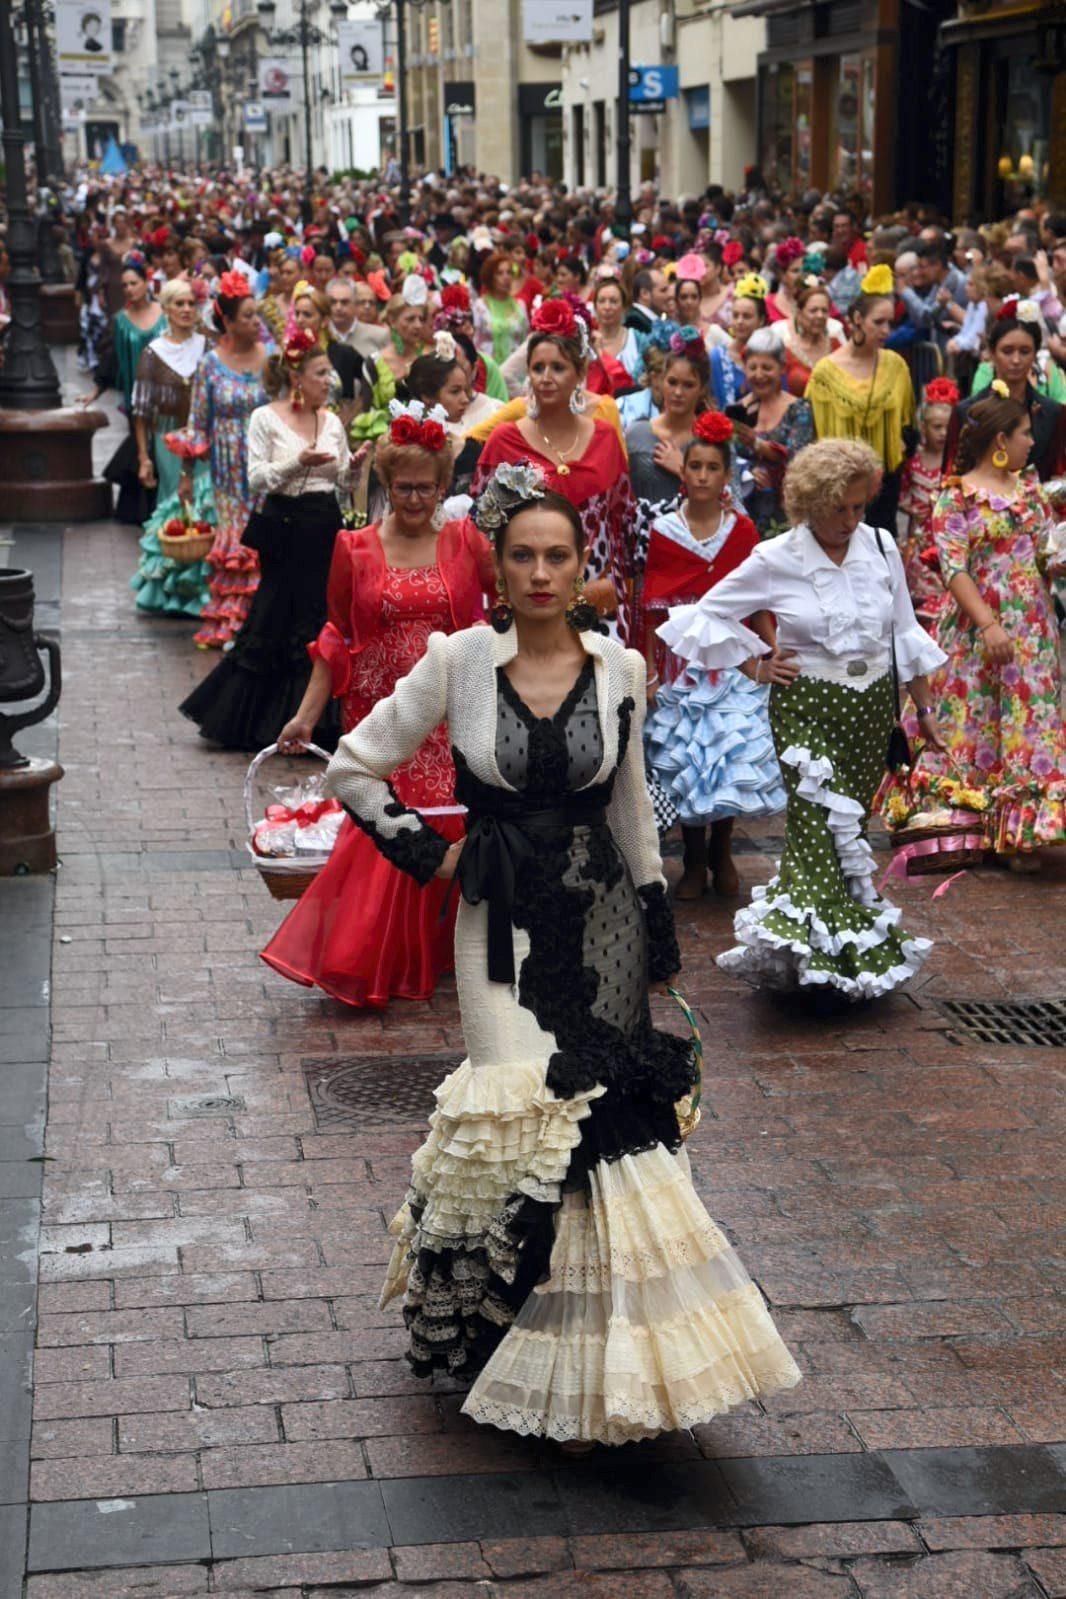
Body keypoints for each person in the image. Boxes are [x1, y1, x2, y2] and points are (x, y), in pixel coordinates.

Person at [323, 461, 801, 1445]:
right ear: (494, 568)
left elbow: (630, 805)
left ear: (585, 567)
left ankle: (605, 1347)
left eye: (559, 556)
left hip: (604, 920)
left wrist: (659, 917)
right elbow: (354, 764)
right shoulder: (456, 660)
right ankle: (499, 1317)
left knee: (599, 1129)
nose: (541, 573)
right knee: (509, 1102)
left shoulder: (622, 668)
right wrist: (432, 850)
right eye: (523, 557)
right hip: (496, 918)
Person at [660, 439, 947, 1000]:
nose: (851, 519)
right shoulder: (778, 556)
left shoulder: (883, 546)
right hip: (807, 708)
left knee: (849, 833)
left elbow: (904, 633)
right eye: (838, 508)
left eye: (860, 506)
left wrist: (925, 711)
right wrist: (755, 664)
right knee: (818, 825)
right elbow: (706, 613)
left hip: (869, 710)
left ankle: (826, 955)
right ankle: (820, 966)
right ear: (810, 503)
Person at [261, 404, 495, 1007]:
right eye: (402, 488)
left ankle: (443, 953)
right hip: (380, 712)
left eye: (426, 487)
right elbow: (336, 634)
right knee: (385, 832)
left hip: (449, 712)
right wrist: (307, 715)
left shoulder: (468, 542)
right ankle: (371, 956)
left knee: (449, 821)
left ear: (445, 486)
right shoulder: (354, 547)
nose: (414, 499)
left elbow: (502, 619)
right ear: (385, 487)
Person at [179, 337, 357, 751]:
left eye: (329, 373)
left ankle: (318, 720)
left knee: (321, 617)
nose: (328, 381)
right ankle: (259, 720)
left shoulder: (331, 421)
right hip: (285, 525)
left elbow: (342, 483)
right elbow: (256, 479)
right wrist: (299, 461)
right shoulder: (265, 418)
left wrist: (355, 467)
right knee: (276, 614)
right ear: (296, 378)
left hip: (324, 527)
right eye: (319, 374)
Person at [919, 392, 1066, 868]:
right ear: (1001, 439)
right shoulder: (955, 495)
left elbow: (1043, 551)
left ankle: (1022, 831)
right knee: (976, 723)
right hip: (976, 629)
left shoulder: (1031, 489)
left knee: (1030, 726)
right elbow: (954, 568)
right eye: (1025, 434)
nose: (1031, 442)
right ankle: (973, 824)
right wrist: (987, 624)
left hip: (1032, 629)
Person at [643, 415, 784, 899]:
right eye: (695, 466)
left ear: (727, 476)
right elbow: (652, 607)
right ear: (682, 472)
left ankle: (723, 850)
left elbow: (759, 598)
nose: (702, 475)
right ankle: (694, 858)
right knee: (686, 758)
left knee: (724, 754)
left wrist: (771, 651)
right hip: (682, 663)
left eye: (712, 468)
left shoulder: (742, 530)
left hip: (732, 660)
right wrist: (648, 667)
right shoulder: (663, 529)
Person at [473, 299, 636, 640]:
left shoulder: (604, 437)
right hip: (527, 603)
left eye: (558, 368)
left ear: (579, 373)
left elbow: (622, 527)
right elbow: (479, 533)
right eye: (537, 368)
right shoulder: (504, 441)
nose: (546, 378)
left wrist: (617, 592)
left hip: (595, 602)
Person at [179, 275, 270, 650]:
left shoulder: (272, 357)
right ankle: (232, 618)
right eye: (247, 316)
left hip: (267, 464)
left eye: (257, 315)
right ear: (228, 322)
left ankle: (264, 617)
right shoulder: (210, 365)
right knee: (235, 537)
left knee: (266, 537)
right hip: (228, 470)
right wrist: (186, 474)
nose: (255, 322)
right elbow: (198, 421)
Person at [806, 265, 915, 530]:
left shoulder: (896, 365)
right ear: (856, 318)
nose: (886, 330)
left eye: (890, 323)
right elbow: (814, 437)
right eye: (878, 322)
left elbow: (909, 427)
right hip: (839, 485)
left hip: (885, 482)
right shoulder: (825, 373)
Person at [129, 279, 212, 619]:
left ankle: (204, 587)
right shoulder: (153, 353)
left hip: (205, 441)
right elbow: (142, 412)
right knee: (175, 505)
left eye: (191, 303)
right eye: (179, 304)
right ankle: (173, 587)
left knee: (206, 506)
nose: (186, 310)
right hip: (168, 442)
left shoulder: (209, 346)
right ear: (165, 309)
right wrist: (144, 457)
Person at [81, 253, 166, 524]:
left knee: (164, 449)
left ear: (146, 283)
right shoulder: (120, 320)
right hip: (136, 398)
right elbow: (112, 357)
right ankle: (141, 509)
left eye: (134, 283)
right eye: (125, 285)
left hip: (168, 397)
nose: (129, 289)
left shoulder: (165, 314)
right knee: (142, 448)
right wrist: (97, 389)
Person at [944, 308, 1066, 482]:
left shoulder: (1053, 413)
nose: (1016, 360)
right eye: (1007, 351)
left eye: (1025, 351)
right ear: (992, 353)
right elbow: (952, 475)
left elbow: (1057, 474)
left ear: (1035, 354)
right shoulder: (967, 412)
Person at [732, 327, 815, 538]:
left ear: (782, 368)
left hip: (787, 516)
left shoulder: (799, 409)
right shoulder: (736, 411)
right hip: (743, 514)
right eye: (753, 367)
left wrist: (758, 445)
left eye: (767, 368)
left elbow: (799, 459)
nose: (759, 375)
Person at [625, 331, 713, 518]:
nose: (678, 392)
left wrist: (684, 470)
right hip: (642, 541)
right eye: (672, 382)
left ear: (702, 389)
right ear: (660, 382)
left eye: (688, 385)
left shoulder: (713, 439)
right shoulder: (635, 433)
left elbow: (734, 506)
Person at [897, 377, 957, 625]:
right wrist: (917, 509)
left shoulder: (957, 464)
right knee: (921, 603)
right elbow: (903, 497)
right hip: (920, 542)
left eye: (947, 427)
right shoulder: (914, 464)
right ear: (924, 428)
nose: (942, 433)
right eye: (936, 427)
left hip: (947, 540)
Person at [709, 273, 768, 410]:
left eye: (746, 316)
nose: (739, 322)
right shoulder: (717, 357)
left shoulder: (771, 356)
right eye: (735, 316)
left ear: (761, 320)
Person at [781, 281, 843, 399]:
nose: (820, 315)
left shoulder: (836, 346)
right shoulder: (786, 352)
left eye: (824, 311)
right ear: (799, 314)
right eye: (813, 310)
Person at [473, 251, 530, 365]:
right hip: (488, 367)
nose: (506, 277)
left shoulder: (520, 306)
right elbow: (475, 340)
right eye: (499, 273)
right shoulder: (480, 306)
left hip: (515, 370)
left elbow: (525, 342)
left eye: (509, 272)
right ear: (490, 277)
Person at [591, 276, 644, 381]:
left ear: (624, 307)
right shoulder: (586, 341)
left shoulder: (637, 340)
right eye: (601, 301)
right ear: (595, 307)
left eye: (613, 301)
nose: (607, 307)